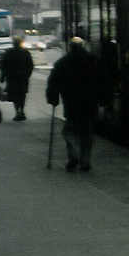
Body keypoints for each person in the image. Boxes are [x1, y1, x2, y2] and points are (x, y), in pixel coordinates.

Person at [46, 37, 108, 172]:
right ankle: (85, 160)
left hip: (71, 103)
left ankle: (73, 153)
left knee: (70, 130)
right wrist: (103, 100)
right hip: (90, 103)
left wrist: (53, 98)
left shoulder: (62, 63)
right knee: (87, 133)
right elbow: (102, 81)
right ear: (83, 46)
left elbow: (53, 83)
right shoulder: (93, 61)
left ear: (70, 47)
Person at [0, 35, 34, 121]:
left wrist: (2, 76)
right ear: (20, 43)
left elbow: (4, 65)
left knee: (15, 95)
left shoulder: (8, 52)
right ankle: (21, 111)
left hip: (11, 78)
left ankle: (17, 112)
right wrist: (27, 75)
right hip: (23, 78)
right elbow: (30, 65)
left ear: (13, 43)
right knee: (22, 95)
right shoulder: (25, 52)